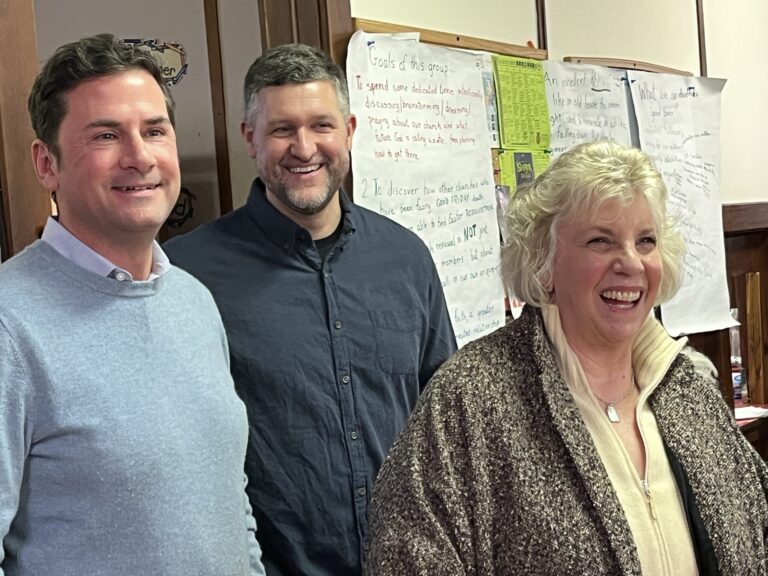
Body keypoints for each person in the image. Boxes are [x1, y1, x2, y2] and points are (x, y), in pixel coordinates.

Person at [365, 141, 768, 575]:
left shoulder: (688, 389)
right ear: (544, 263)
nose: (631, 263)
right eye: (600, 241)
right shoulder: (468, 401)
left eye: (645, 241)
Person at [164, 43, 457, 575]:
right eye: (282, 129)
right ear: (250, 137)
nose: (304, 148)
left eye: (322, 125)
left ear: (349, 130)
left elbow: (445, 419)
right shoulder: (187, 274)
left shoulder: (406, 257)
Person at [0, 34, 265, 575]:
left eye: (154, 131)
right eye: (106, 135)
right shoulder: (10, 324)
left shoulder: (193, 301)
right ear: (46, 163)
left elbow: (227, 498)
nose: (139, 157)